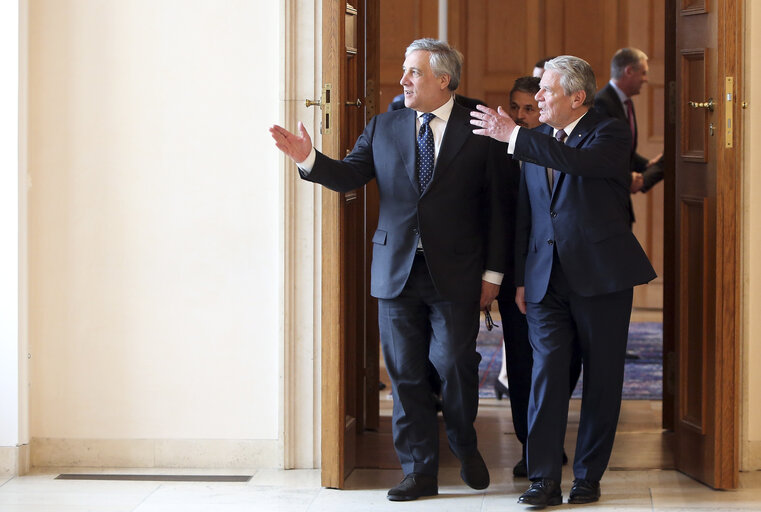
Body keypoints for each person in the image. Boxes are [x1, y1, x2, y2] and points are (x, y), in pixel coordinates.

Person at [271, 38, 508, 502]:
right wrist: (308, 159)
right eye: (405, 71)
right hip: (396, 269)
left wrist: (493, 275)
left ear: (443, 79)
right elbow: (350, 174)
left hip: (457, 272)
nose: (403, 81)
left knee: (455, 363)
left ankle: (461, 437)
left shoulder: (479, 126)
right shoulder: (384, 126)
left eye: (414, 73)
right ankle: (419, 470)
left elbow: (500, 208)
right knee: (405, 374)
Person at [470, 55, 656, 506]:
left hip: (602, 277)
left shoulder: (607, 132)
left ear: (577, 97)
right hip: (544, 280)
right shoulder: (534, 141)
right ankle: (544, 479)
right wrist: (519, 279)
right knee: (545, 376)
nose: (537, 98)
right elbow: (528, 216)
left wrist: (514, 137)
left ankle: (588, 477)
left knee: (602, 379)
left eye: (546, 91)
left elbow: (578, 164)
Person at [495, 75, 577, 479]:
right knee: (524, 363)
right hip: (516, 274)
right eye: (516, 107)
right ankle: (532, 446)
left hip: (562, 272)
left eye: (530, 108)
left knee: (564, 360)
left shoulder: (554, 147)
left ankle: (549, 438)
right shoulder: (497, 152)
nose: (521, 115)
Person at [594, 48, 664, 196]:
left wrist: (648, 165)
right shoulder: (602, 103)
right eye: (643, 73)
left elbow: (624, 151)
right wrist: (628, 180)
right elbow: (604, 154)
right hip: (606, 196)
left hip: (619, 197)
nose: (646, 79)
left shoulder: (626, 102)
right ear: (629, 71)